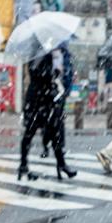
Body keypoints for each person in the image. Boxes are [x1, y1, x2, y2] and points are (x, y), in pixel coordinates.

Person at [17, 50, 77, 181]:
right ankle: (25, 165)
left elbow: (39, 74)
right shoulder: (40, 55)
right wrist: (55, 73)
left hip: (40, 99)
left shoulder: (38, 54)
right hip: (40, 100)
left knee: (51, 133)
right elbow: (39, 74)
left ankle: (59, 164)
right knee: (32, 133)